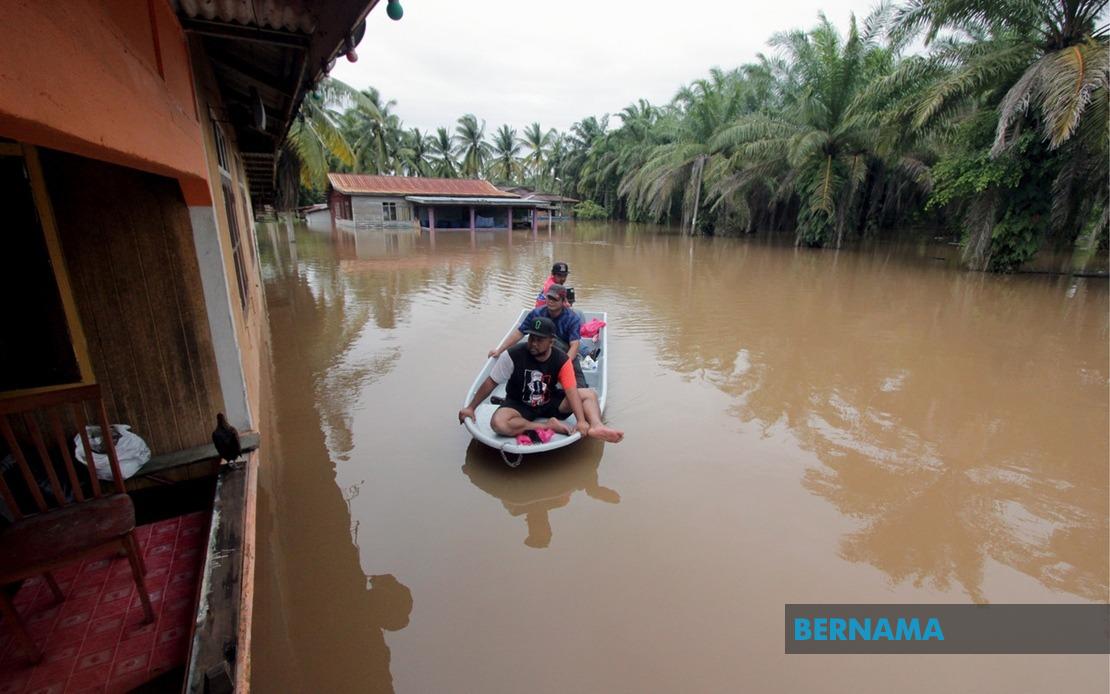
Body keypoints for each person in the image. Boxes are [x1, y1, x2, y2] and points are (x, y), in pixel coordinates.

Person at [460, 317, 623, 443]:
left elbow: (571, 390)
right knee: (498, 424)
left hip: (550, 401)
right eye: (531, 338)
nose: (533, 343)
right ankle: (547, 425)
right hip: (519, 403)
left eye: (539, 340)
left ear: (551, 342)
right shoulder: (513, 355)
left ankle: (596, 425)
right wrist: (471, 407)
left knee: (589, 394)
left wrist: (581, 421)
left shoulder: (561, 360)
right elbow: (491, 382)